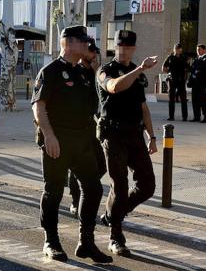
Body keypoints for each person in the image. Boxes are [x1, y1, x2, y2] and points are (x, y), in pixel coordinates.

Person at [32, 26, 112, 263]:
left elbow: (98, 99)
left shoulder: (82, 72)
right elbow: (39, 106)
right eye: (84, 41)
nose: (88, 45)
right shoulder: (51, 71)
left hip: (82, 142)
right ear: (67, 42)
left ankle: (86, 242)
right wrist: (49, 136)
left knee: (94, 188)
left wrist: (93, 65)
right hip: (57, 141)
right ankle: (51, 241)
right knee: (53, 191)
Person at [97, 30, 158, 257]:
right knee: (120, 186)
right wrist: (139, 68)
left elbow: (143, 108)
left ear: (133, 48)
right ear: (115, 47)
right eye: (120, 46)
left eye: (128, 47)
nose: (123, 51)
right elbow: (114, 87)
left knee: (148, 185)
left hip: (135, 134)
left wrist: (151, 137)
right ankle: (116, 236)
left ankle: (113, 214)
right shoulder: (105, 71)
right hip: (113, 134)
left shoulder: (139, 77)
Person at [68, 41, 106, 218]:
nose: (94, 57)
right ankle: (76, 201)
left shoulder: (95, 72)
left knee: (101, 164)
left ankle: (86, 187)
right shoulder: (76, 71)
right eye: (92, 53)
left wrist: (97, 71)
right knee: (77, 166)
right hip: (77, 126)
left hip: (92, 123)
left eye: (95, 54)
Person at [162, 43, 189, 121]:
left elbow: (187, 69)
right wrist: (169, 72)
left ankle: (184, 117)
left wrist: (185, 78)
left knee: (183, 99)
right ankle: (171, 116)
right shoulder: (170, 57)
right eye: (176, 48)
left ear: (181, 49)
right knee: (171, 99)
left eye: (179, 48)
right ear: (174, 49)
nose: (177, 50)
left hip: (181, 80)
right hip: (172, 80)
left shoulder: (184, 58)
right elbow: (163, 67)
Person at [188, 44, 206, 123]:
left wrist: (196, 70)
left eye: (200, 49)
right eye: (197, 49)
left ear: (204, 50)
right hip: (194, 83)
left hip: (201, 83)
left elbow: (203, 69)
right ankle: (196, 117)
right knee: (195, 101)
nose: (198, 51)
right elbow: (192, 69)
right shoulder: (196, 59)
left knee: (203, 101)